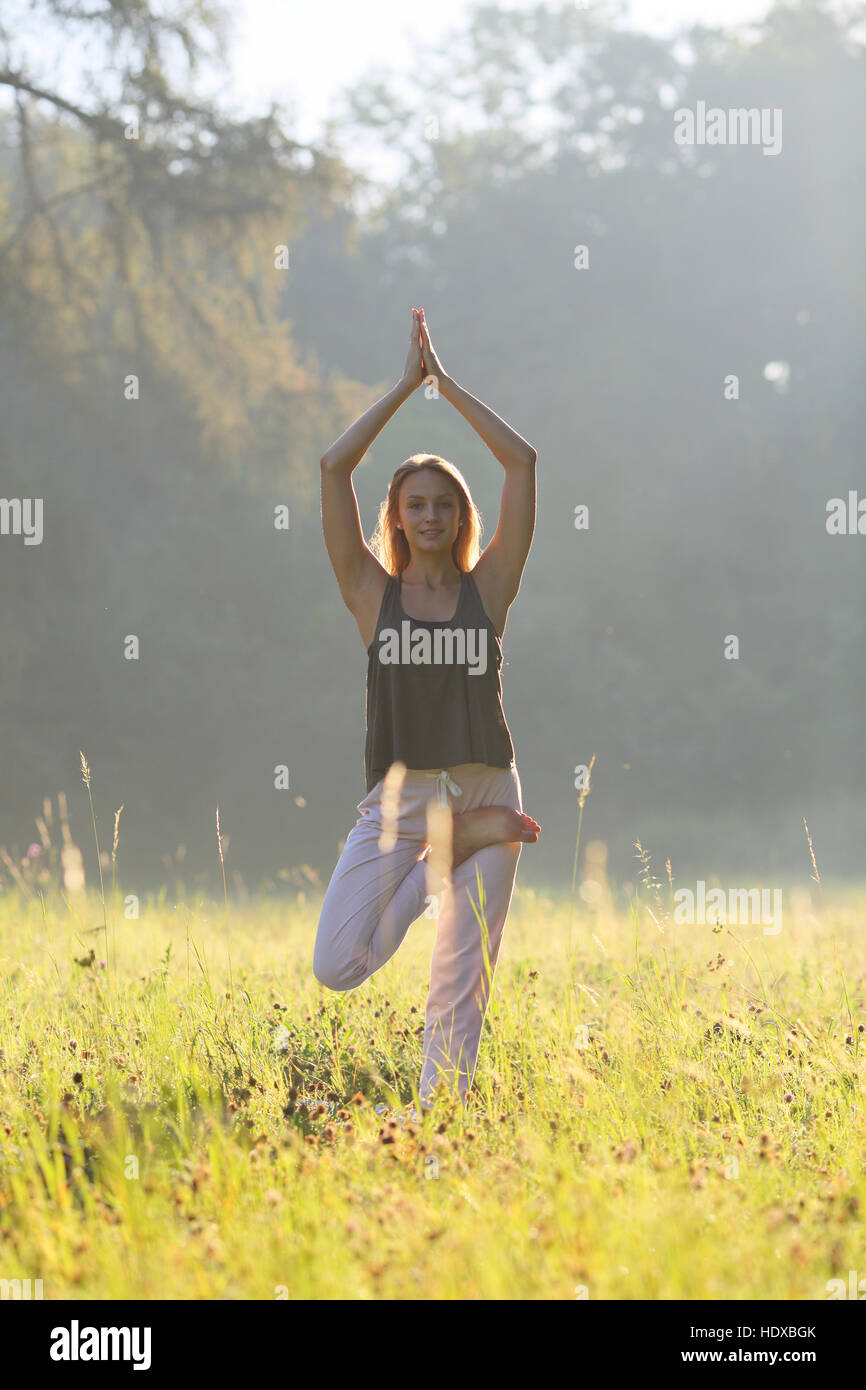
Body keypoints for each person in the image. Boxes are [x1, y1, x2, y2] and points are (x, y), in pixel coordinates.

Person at [314, 307, 540, 1107]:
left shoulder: (491, 587)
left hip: (486, 790)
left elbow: (522, 460)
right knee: (337, 964)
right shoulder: (371, 593)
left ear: (461, 514)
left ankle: (438, 1125)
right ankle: (440, 855)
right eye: (417, 503)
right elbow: (333, 468)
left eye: (445, 503)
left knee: (459, 980)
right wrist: (404, 389)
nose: (433, 515)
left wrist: (448, 384)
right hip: (401, 803)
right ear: (398, 515)